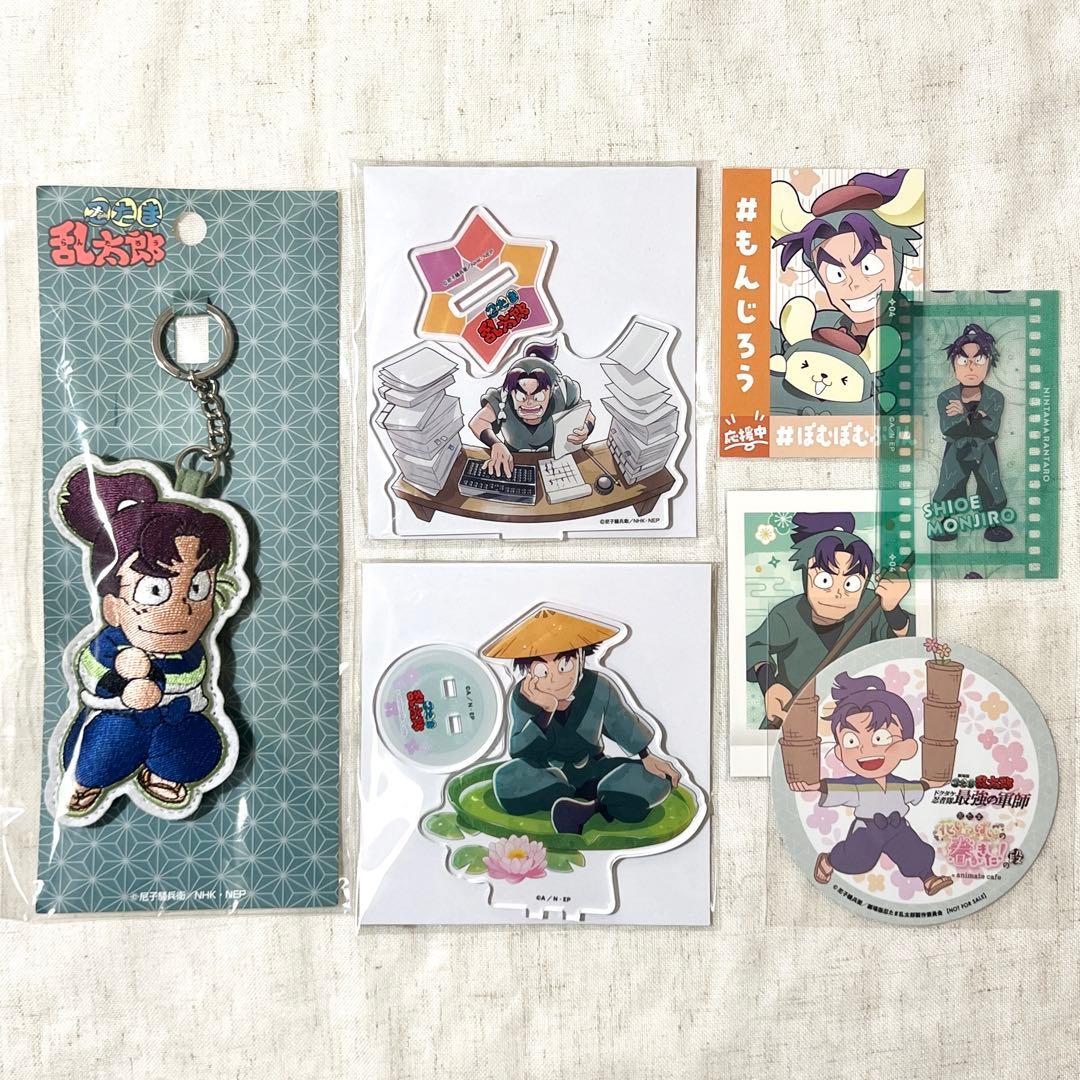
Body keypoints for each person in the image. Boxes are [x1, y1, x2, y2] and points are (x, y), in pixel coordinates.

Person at [56, 466, 239, 816]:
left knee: (202, 743)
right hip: (118, 718)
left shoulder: (191, 654)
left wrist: (160, 688)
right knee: (107, 740)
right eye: (155, 590)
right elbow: (90, 672)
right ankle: (88, 779)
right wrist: (122, 681)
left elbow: (192, 681)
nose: (181, 608)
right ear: (112, 606)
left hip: (172, 720)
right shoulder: (108, 645)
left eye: (198, 588)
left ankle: (163, 772)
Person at [482, 607, 681, 835]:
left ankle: (588, 808)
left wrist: (646, 755)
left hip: (594, 771)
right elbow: (519, 750)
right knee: (505, 780)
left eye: (564, 665)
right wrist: (546, 710)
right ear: (528, 671)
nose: (555, 679)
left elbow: (621, 722)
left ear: (580, 658)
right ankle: (574, 802)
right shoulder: (523, 696)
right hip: (546, 774)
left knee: (656, 778)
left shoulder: (598, 686)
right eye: (542, 670)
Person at [789, 672, 953, 896]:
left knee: (916, 853)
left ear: (907, 747)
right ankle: (829, 860)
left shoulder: (897, 784)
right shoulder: (858, 786)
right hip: (867, 830)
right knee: (856, 860)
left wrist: (929, 783)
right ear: (840, 752)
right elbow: (840, 788)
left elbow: (912, 789)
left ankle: (928, 878)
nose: (865, 750)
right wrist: (816, 786)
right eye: (851, 740)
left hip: (897, 826)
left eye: (880, 738)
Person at [746, 512, 912, 728]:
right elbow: (754, 646)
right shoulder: (788, 614)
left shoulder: (873, 606)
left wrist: (892, 610)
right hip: (793, 719)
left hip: (858, 725)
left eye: (851, 583)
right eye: (824, 580)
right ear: (805, 575)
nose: (838, 593)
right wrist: (769, 685)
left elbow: (906, 640)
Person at [772, 169, 924, 347]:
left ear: (896, 258)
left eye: (869, 266)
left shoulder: (925, 325)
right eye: (836, 274)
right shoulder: (818, 326)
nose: (855, 283)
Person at [930, 323, 1012, 542]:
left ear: (989, 363)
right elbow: (949, 428)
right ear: (954, 364)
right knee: (950, 485)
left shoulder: (995, 397)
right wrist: (977, 417)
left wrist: (964, 414)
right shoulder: (946, 397)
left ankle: (993, 525)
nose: (971, 368)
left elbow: (990, 428)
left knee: (991, 485)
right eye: (964, 361)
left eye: (979, 360)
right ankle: (947, 524)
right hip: (955, 451)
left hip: (985, 450)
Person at [468, 342, 595, 477]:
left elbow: (588, 415)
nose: (529, 402)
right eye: (521, 396)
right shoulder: (502, 399)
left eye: (538, 396)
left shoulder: (564, 393)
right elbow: (478, 422)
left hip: (556, 464)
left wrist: (586, 428)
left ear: (551, 391)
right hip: (513, 463)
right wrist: (496, 444)